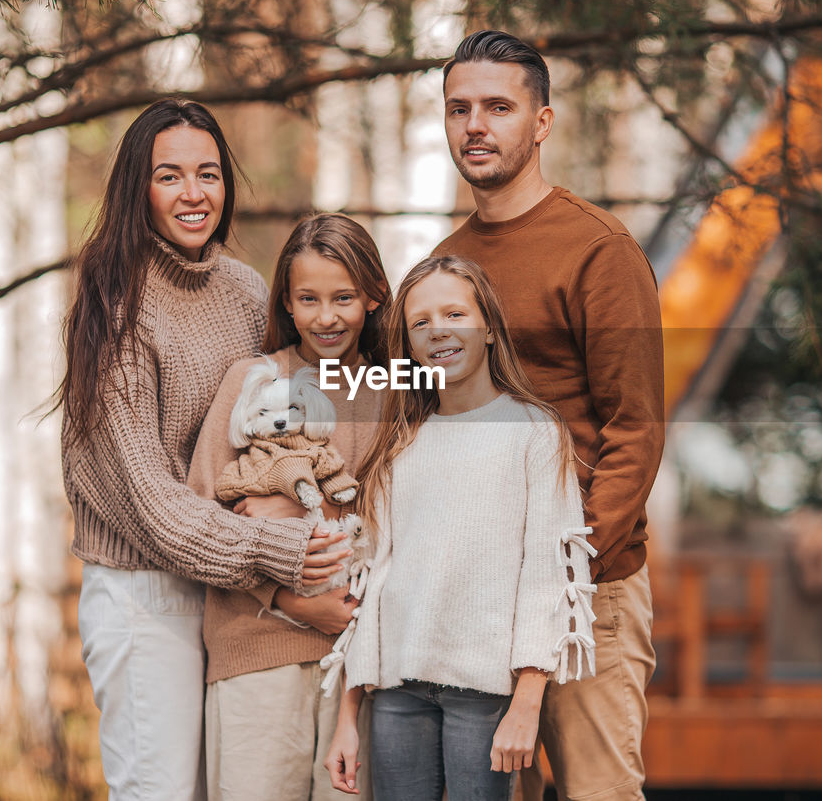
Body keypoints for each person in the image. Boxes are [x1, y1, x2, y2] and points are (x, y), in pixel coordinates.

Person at [57, 100, 350, 800]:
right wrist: (277, 553)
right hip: (146, 595)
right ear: (139, 189)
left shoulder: (246, 291)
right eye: (170, 176)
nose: (194, 194)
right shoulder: (113, 304)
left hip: (229, 591)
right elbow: (154, 503)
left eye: (208, 174)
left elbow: (277, 424)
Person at [433, 30, 666, 801]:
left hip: (586, 592)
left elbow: (635, 429)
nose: (476, 125)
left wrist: (569, 571)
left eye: (498, 107)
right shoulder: (445, 266)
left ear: (542, 122)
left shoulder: (597, 250)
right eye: (460, 108)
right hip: (477, 595)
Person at [324, 254, 598, 801]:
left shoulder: (534, 433)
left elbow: (546, 578)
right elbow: (371, 583)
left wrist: (527, 702)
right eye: (420, 322)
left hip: (486, 695)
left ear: (490, 328)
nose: (438, 331)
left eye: (454, 314)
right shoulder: (401, 443)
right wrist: (348, 717)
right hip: (398, 691)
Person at [187, 213, 390, 800]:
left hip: (357, 667)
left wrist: (298, 513)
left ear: (373, 297)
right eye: (309, 298)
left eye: (344, 298)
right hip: (257, 651)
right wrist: (293, 600)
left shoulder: (393, 393)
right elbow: (204, 517)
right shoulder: (253, 381)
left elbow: (391, 519)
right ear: (288, 302)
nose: (326, 317)